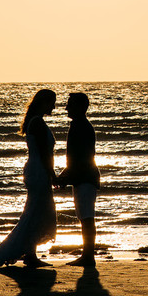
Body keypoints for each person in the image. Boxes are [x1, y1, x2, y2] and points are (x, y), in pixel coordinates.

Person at [0, 89, 59, 267]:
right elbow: (44, 154)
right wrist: (52, 174)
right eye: (52, 102)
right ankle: (25, 254)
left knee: (36, 212)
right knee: (35, 212)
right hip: (39, 171)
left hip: (35, 170)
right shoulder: (38, 123)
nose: (54, 107)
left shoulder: (35, 121)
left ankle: (30, 253)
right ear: (44, 103)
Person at [56, 92, 100, 267]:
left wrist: (65, 177)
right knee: (85, 217)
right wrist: (65, 176)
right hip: (82, 177)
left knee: (87, 217)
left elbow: (81, 159)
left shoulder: (81, 126)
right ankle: (87, 254)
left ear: (81, 107)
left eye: (70, 104)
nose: (66, 108)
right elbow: (75, 159)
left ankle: (88, 255)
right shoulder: (80, 125)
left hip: (85, 178)